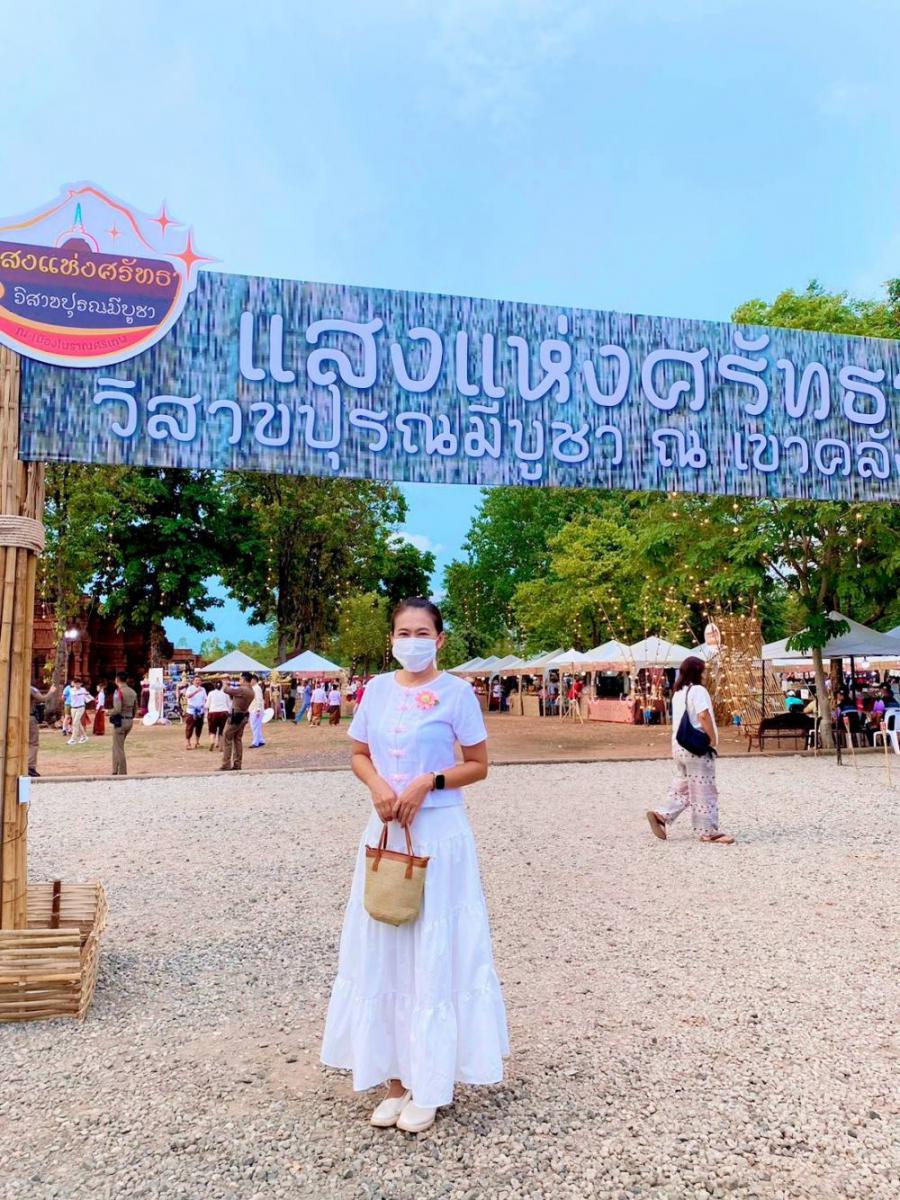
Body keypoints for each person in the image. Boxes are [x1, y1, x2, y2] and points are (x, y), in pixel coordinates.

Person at [321, 596, 508, 1134]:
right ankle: (395, 1080)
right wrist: (378, 786)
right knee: (386, 945)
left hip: (439, 833)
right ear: (392, 640)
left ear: (439, 639)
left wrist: (430, 781)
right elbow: (359, 753)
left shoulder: (458, 693)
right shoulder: (377, 690)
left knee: (432, 948)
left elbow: (479, 765)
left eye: (422, 632)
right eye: (403, 633)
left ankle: (430, 1080)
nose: (412, 641)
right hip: (385, 829)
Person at [646, 655, 734, 845]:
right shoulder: (698, 690)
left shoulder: (678, 692)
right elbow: (703, 715)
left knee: (684, 786)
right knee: (704, 789)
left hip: (679, 746)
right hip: (696, 748)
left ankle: (661, 814)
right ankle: (708, 831)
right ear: (698, 671)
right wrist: (712, 738)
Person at [221, 672, 253, 770]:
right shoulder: (251, 691)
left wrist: (225, 683)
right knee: (237, 739)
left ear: (243, 679)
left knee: (227, 737)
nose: (239, 681)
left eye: (240, 679)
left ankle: (226, 763)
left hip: (236, 716)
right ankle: (237, 763)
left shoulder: (242, 689)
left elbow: (226, 690)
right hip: (243, 716)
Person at [111, 672, 137, 776]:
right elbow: (135, 709)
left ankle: (122, 771)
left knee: (118, 748)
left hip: (120, 721)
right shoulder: (133, 692)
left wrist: (108, 712)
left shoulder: (118, 692)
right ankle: (114, 769)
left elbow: (117, 709)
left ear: (117, 680)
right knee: (116, 746)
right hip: (129, 720)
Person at [29, 682, 57, 777]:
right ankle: (30, 767)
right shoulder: (30, 688)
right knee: (33, 743)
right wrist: (51, 691)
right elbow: (43, 699)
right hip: (29, 718)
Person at [205, 679, 231, 751]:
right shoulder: (225, 694)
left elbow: (207, 705)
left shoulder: (211, 693)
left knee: (212, 730)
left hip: (213, 712)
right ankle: (221, 746)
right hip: (223, 712)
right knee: (222, 730)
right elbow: (229, 705)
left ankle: (212, 741)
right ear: (222, 686)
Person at [184, 675, 208, 749]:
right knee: (189, 727)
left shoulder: (203, 689)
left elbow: (205, 699)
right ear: (193, 681)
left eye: (199, 680)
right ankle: (188, 743)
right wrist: (196, 691)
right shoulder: (190, 688)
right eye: (196, 680)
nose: (198, 681)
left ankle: (197, 742)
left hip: (200, 711)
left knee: (199, 727)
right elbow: (187, 696)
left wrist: (205, 708)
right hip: (191, 711)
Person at [67, 679, 90, 745]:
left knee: (75, 723)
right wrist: (83, 693)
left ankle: (73, 739)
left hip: (81, 707)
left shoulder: (83, 689)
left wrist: (87, 694)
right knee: (78, 723)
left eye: (78, 684)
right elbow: (74, 694)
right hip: (73, 708)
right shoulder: (71, 690)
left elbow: (87, 695)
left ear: (81, 684)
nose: (77, 685)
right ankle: (84, 737)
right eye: (76, 684)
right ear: (74, 684)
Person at [249, 674, 266, 748]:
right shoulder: (254, 688)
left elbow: (259, 699)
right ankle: (261, 740)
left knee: (255, 726)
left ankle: (255, 742)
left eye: (251, 680)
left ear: (254, 680)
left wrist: (258, 709)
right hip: (253, 709)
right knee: (256, 726)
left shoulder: (257, 688)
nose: (250, 681)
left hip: (256, 709)